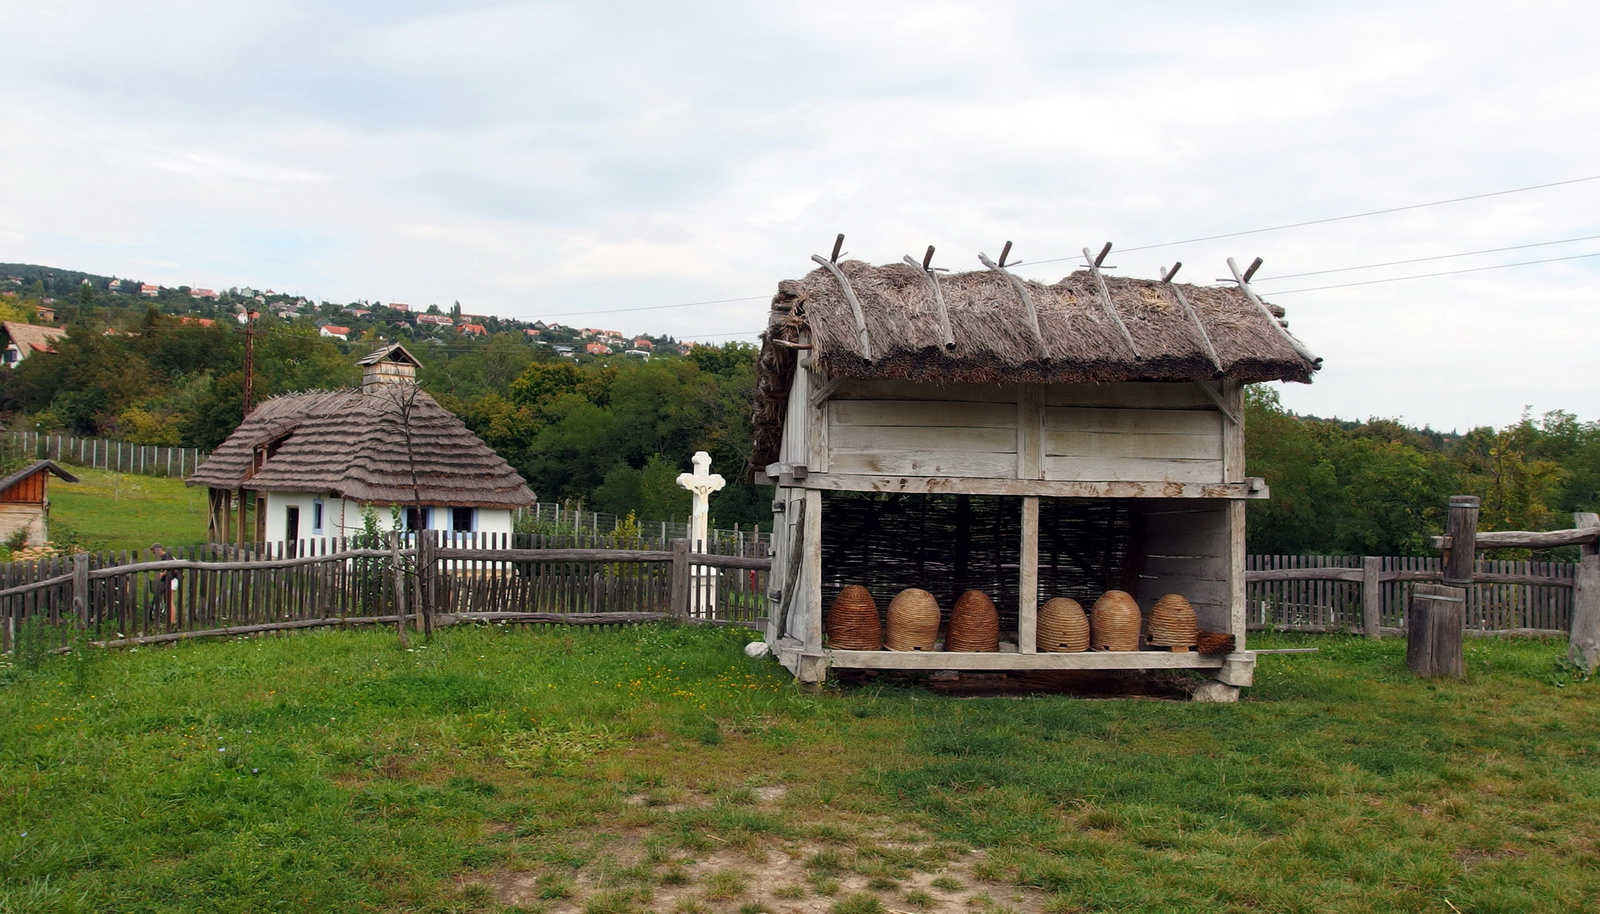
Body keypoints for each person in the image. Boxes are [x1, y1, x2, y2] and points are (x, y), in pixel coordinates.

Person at [147, 543, 179, 626]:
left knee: (170, 601)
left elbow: (171, 567)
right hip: (167, 581)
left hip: (172, 580)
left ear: (158, 549)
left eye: (154, 552)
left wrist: (162, 574)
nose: (154, 554)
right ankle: (169, 619)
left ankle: (172, 621)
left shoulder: (166, 556)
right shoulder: (164, 558)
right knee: (167, 601)